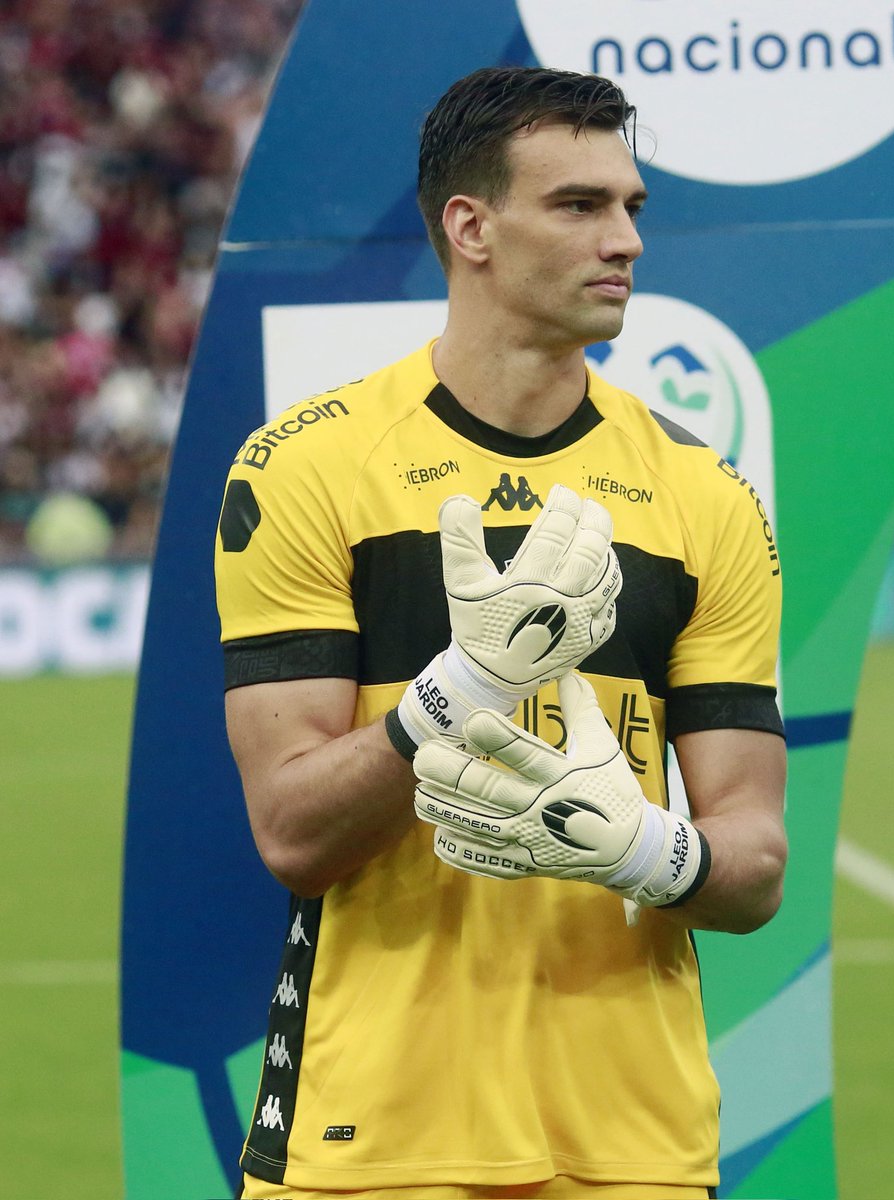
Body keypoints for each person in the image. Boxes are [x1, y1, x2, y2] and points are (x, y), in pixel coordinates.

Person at [215, 65, 787, 1200]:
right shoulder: (306, 468)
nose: (625, 239)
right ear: (470, 227)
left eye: (630, 206)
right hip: (372, 1138)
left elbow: (757, 860)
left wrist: (646, 851)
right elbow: (291, 831)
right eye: (579, 205)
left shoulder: (706, 497)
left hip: (633, 1141)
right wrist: (464, 691)